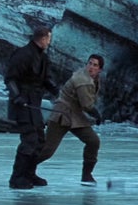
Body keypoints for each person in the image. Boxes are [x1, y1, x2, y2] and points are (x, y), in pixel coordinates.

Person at [36, 54, 105, 186]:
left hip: (76, 116)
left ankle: (87, 175)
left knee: (93, 141)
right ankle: (25, 170)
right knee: (47, 150)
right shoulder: (82, 79)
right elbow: (86, 104)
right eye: (89, 63)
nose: (91, 67)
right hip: (62, 114)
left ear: (100, 69)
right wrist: (96, 114)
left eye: (95, 65)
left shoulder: (94, 79)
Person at [4, 26, 59, 190]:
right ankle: (17, 178)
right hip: (22, 104)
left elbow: (47, 80)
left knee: (40, 140)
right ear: (42, 39)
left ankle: (29, 174)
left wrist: (58, 92)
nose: (49, 42)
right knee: (29, 140)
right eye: (48, 39)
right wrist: (17, 97)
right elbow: (10, 78)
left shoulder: (42, 57)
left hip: (34, 104)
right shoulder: (23, 54)